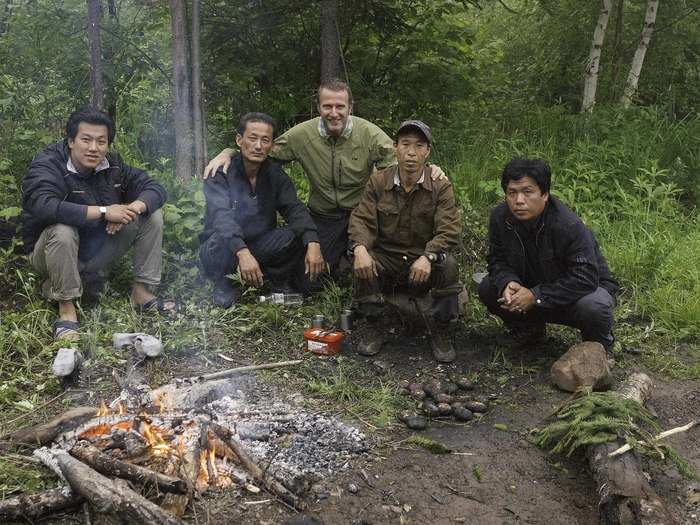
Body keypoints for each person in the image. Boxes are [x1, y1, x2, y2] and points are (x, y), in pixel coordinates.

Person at [203, 79, 445, 274]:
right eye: (327, 106)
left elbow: (402, 159)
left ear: (350, 107)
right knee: (311, 279)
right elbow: (263, 149)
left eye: (340, 106)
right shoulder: (302, 135)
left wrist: (429, 168)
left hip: (362, 214)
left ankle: (359, 264)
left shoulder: (369, 134)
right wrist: (228, 153)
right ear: (318, 107)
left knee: (364, 264)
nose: (334, 112)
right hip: (324, 216)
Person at [21, 107, 169, 341]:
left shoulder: (113, 165)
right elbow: (43, 205)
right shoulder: (48, 164)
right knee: (63, 230)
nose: (93, 148)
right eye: (86, 139)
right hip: (49, 252)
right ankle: (67, 310)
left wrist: (129, 211)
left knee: (151, 214)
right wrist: (104, 212)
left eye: (101, 141)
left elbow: (155, 188)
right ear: (71, 141)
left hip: (94, 247)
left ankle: (142, 292)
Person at [347, 120, 463, 363]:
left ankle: (440, 329)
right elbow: (362, 219)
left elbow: (449, 229)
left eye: (419, 146)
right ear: (395, 148)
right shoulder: (379, 181)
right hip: (388, 258)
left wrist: (429, 256)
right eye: (405, 144)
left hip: (422, 259)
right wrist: (359, 247)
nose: (411, 152)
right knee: (362, 260)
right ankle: (375, 324)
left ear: (427, 151)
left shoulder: (439, 185)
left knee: (449, 264)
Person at [478, 158, 619, 351]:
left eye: (528, 192)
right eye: (512, 193)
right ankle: (528, 329)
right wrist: (508, 281)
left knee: (595, 305)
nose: (519, 200)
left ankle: (599, 346)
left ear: (544, 194)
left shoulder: (568, 225)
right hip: (533, 288)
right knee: (488, 286)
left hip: (575, 295)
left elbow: (585, 278)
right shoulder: (500, 217)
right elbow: (497, 259)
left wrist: (536, 295)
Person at [199, 112, 323, 307]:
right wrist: (242, 252)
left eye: (265, 140)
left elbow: (294, 208)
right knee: (220, 239)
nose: (258, 146)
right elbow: (221, 217)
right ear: (239, 140)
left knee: (297, 234)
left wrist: (313, 241)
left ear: (271, 145)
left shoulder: (274, 174)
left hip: (258, 244)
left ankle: (272, 281)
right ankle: (224, 285)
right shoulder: (220, 173)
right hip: (224, 248)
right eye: (253, 138)